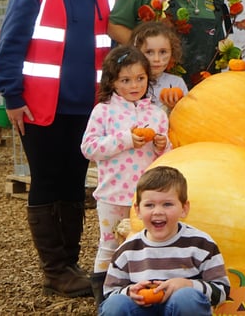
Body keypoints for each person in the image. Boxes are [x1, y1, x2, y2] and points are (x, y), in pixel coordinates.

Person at [0, 0, 122, 298]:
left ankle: (69, 264)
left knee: (73, 182)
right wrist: (12, 96)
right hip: (41, 105)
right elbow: (11, 43)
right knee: (47, 181)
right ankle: (55, 269)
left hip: (89, 108)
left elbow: (116, 49)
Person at [81, 45, 172, 305]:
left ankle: (142, 297)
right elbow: (89, 148)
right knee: (109, 245)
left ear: (148, 78)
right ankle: (104, 298)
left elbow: (168, 159)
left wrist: (162, 146)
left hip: (146, 199)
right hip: (112, 195)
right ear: (112, 81)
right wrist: (125, 140)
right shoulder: (103, 111)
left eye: (140, 79)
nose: (134, 85)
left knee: (145, 246)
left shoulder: (156, 114)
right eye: (126, 80)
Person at [100, 166, 230, 315]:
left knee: (186, 298)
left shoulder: (201, 244)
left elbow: (222, 291)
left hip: (181, 309)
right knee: (115, 305)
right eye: (149, 205)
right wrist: (129, 292)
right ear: (137, 210)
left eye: (167, 204)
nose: (158, 211)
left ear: (184, 208)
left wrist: (188, 285)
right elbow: (110, 293)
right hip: (141, 311)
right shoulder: (127, 250)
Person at [130, 21, 188, 111]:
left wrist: (173, 108)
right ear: (136, 52)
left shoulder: (177, 83)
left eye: (163, 52)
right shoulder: (128, 82)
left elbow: (185, 117)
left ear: (172, 52)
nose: (156, 59)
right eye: (149, 52)